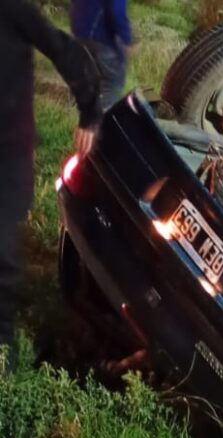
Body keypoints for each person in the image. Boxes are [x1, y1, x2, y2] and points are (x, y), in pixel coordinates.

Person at [0, 0, 102, 373]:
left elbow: (65, 51)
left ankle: (3, 353)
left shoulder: (11, 11)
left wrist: (90, 113)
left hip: (8, 156)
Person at [70, 0, 132, 109]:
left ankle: (74, 115)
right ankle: (101, 121)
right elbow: (117, 11)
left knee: (83, 78)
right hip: (102, 38)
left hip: (79, 32)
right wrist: (126, 39)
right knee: (112, 83)